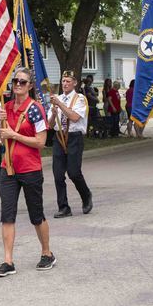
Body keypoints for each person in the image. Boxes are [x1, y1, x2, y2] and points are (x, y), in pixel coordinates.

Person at [0, 67, 54, 277]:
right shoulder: (6, 107)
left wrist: (14, 135)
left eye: (22, 82)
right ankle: (8, 261)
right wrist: (1, 124)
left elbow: (41, 142)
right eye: (15, 81)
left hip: (30, 169)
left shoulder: (36, 109)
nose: (17, 84)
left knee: (36, 215)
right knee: (7, 215)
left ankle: (47, 253)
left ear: (30, 86)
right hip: (8, 168)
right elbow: (3, 135)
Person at [48, 70, 93, 219]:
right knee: (58, 174)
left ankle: (86, 195)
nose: (65, 84)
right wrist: (54, 114)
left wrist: (60, 105)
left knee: (73, 172)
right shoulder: (57, 99)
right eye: (63, 81)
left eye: (68, 81)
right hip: (59, 137)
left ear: (75, 83)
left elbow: (74, 117)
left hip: (74, 137)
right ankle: (63, 207)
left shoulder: (79, 99)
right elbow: (50, 124)